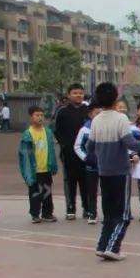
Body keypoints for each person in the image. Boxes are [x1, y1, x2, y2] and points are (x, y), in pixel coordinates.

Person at [85, 83, 140, 261]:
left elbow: (89, 147)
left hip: (104, 173)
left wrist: (102, 154)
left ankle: (102, 246)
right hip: (120, 172)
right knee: (124, 214)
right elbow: (131, 144)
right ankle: (113, 247)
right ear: (114, 100)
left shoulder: (96, 120)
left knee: (109, 212)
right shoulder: (120, 119)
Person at [52, 83, 93, 221]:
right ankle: (70, 208)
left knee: (86, 181)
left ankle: (87, 208)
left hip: (86, 153)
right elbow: (57, 130)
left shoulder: (88, 110)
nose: (78, 95)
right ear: (69, 95)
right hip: (68, 153)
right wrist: (65, 144)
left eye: (80, 93)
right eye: (75, 93)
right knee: (69, 181)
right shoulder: (62, 111)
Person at [17, 105, 58, 223]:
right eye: (37, 115)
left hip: (46, 168)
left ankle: (47, 213)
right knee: (35, 193)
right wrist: (27, 171)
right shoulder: (27, 134)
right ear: (31, 117)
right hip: (34, 170)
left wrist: (53, 165)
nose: (40, 117)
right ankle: (35, 214)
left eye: (41, 115)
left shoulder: (48, 132)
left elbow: (51, 150)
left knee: (47, 192)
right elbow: (24, 155)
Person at [73, 102, 102, 224]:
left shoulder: (108, 128)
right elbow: (78, 146)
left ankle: (109, 213)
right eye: (97, 113)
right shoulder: (84, 130)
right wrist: (86, 158)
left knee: (107, 190)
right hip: (92, 166)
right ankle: (92, 213)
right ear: (90, 114)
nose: (99, 115)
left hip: (107, 166)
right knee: (91, 191)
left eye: (101, 113)